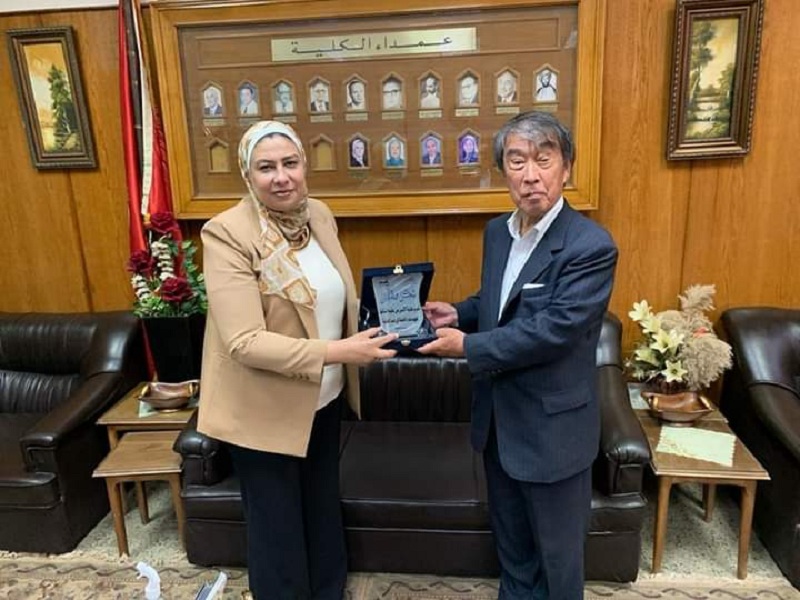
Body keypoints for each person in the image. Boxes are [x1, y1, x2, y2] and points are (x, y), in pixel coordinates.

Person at [420, 111, 618, 599]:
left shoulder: (590, 246)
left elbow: (554, 330)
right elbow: (501, 300)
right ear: (503, 170)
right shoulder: (497, 233)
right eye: (517, 161)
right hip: (499, 430)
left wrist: (468, 346)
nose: (531, 175)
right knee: (513, 556)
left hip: (553, 435)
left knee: (558, 563)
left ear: (565, 167)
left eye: (543, 159)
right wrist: (459, 313)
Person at [198, 120, 398, 599]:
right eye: (266, 168)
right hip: (263, 409)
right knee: (278, 529)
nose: (281, 177)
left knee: (321, 510)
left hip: (322, 400)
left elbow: (331, 299)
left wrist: (393, 313)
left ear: (305, 166)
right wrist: (339, 352)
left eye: (290, 163)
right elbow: (245, 340)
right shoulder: (228, 234)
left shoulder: (319, 216)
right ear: (248, 175)